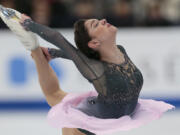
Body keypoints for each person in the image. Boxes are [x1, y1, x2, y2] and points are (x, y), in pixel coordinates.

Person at [0, 5, 174, 135]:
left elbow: (81, 55)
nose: (103, 20)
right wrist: (30, 24)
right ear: (94, 43)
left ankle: (38, 52)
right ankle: (34, 49)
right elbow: (58, 38)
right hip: (88, 125)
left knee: (58, 97)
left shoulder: (120, 50)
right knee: (54, 95)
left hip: (108, 109)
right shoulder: (95, 69)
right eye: (96, 25)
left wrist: (55, 53)